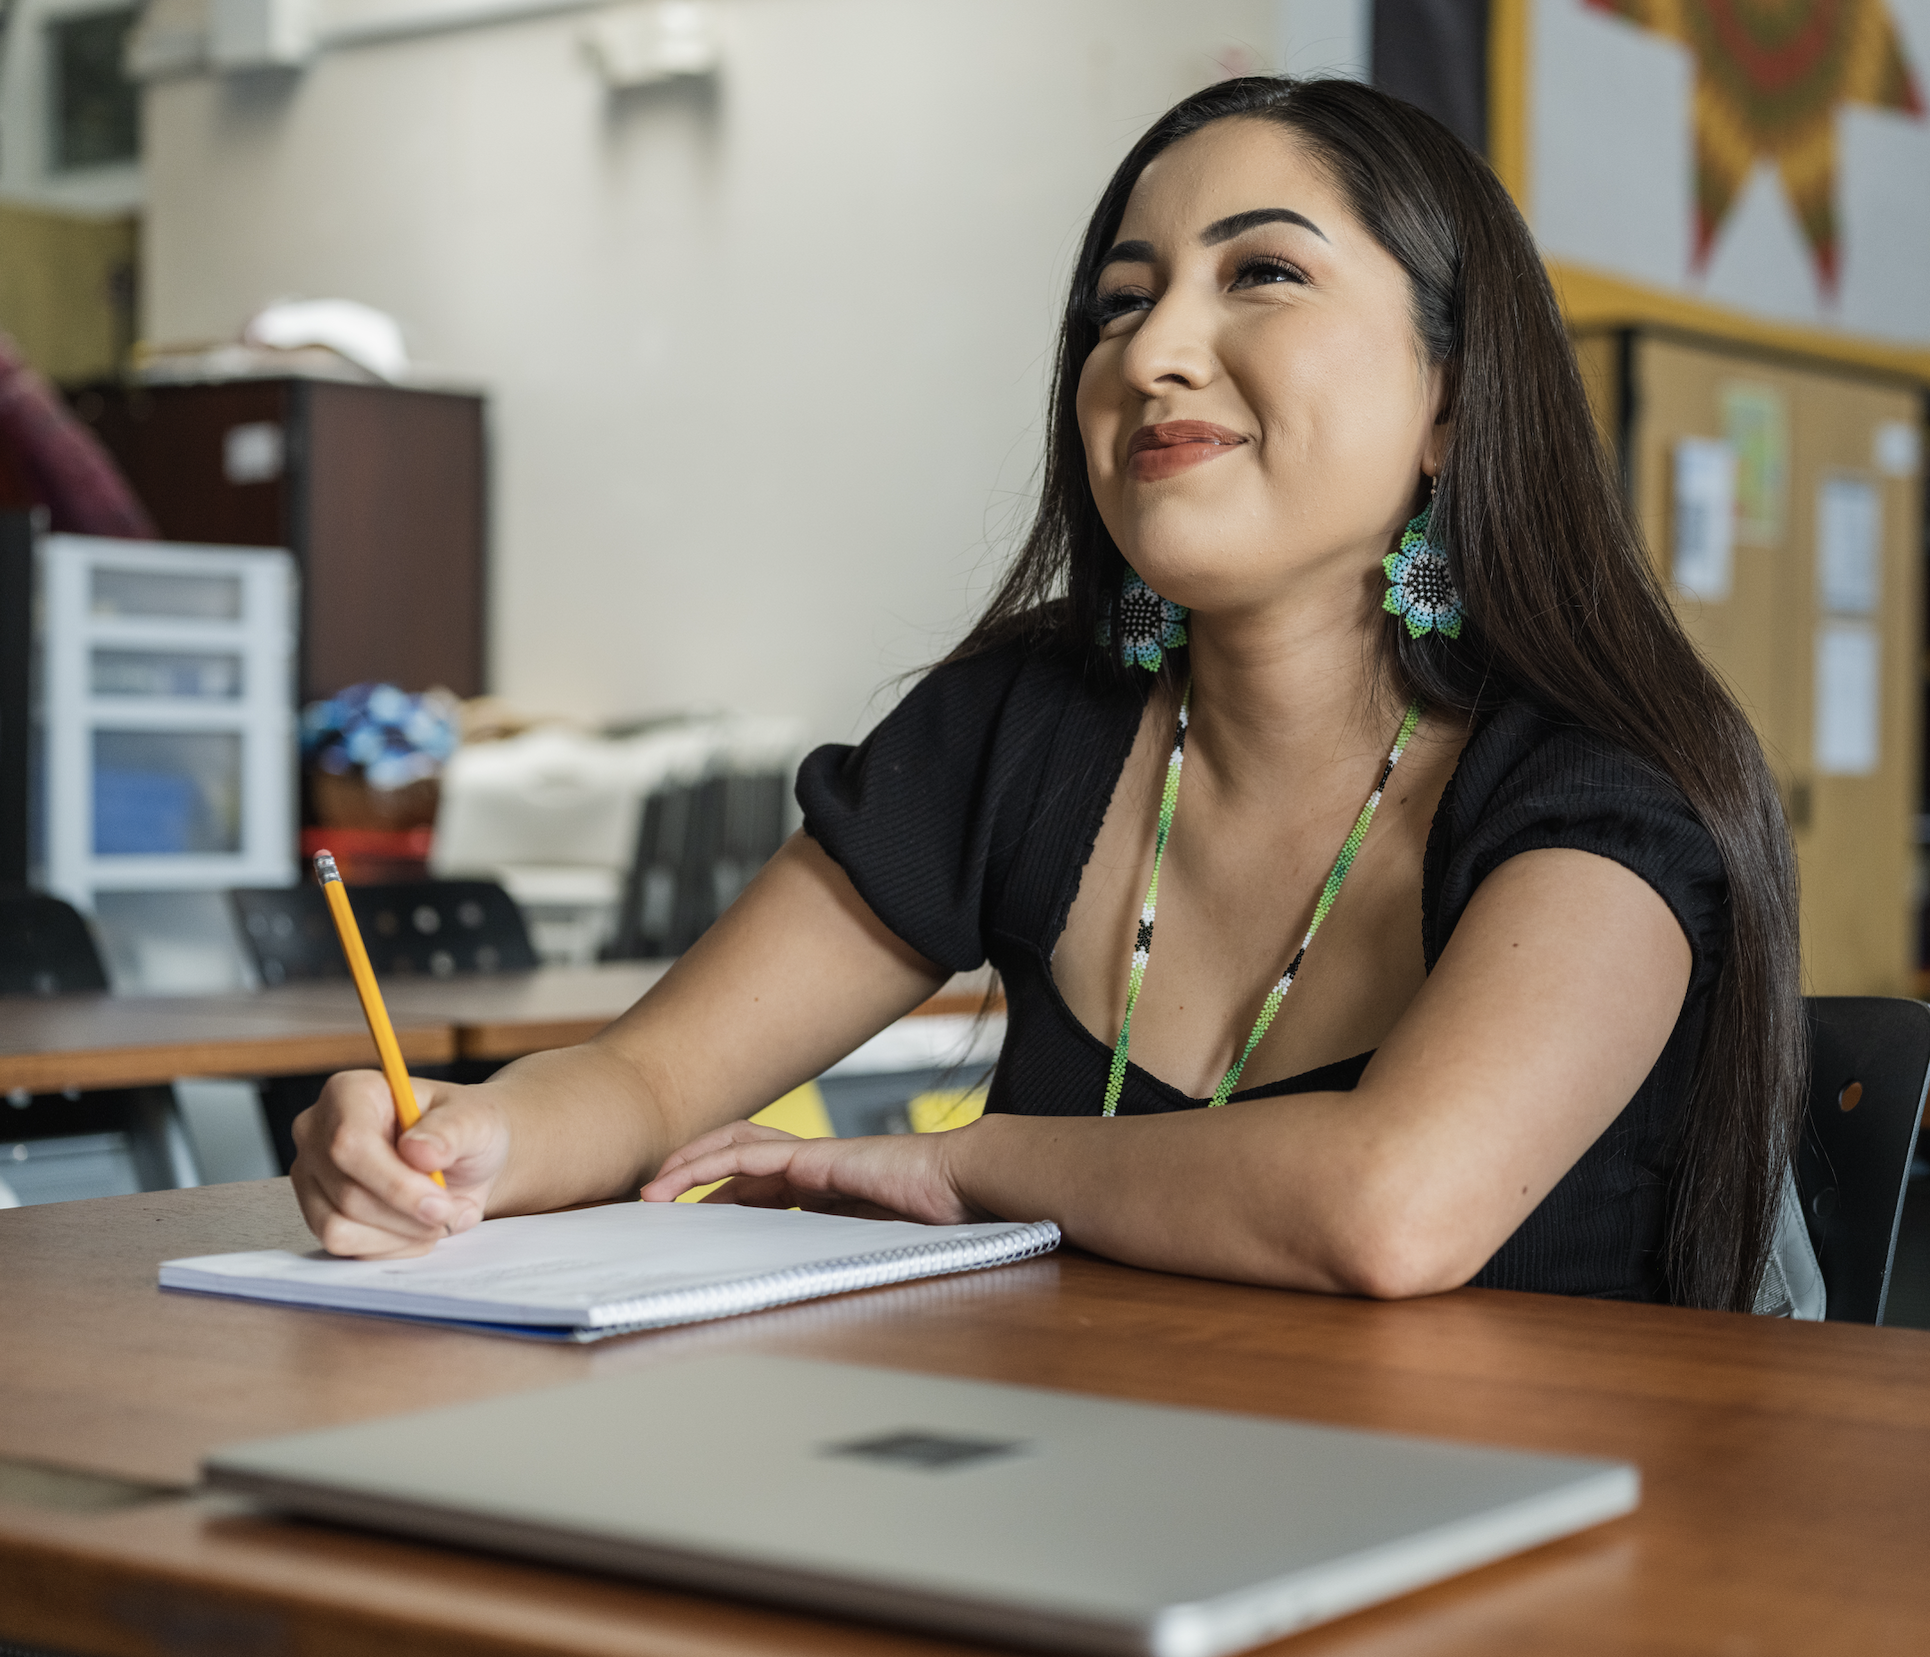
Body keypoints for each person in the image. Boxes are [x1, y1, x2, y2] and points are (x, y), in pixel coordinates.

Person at [294, 78, 1806, 1311]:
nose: (1152, 352)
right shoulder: (1029, 720)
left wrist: (963, 1166)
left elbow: (1393, 1210)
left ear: (1454, 400)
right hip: (1103, 1519)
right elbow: (648, 1076)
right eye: (1117, 303)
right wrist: (467, 1140)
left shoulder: (1603, 777)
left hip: (1524, 1596)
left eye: (1263, 275)